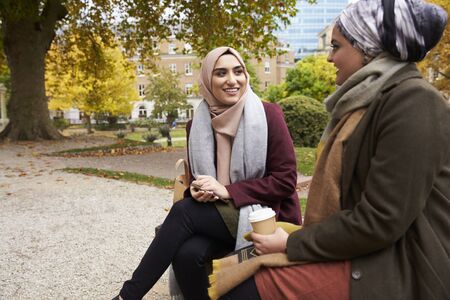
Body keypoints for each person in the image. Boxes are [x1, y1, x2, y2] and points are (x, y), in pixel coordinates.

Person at [221, 0, 450, 299]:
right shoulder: (366, 101)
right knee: (234, 267)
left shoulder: (414, 102)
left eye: (337, 46)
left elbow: (381, 220)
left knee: (243, 288)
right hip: (366, 246)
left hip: (400, 261)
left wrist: (293, 243)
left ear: (368, 49)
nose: (329, 58)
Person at [114, 46, 301, 300]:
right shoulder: (197, 124)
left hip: (263, 214)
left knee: (182, 212)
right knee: (186, 255)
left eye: (238, 71)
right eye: (221, 73)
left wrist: (227, 190)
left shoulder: (268, 115)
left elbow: (285, 181)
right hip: (215, 214)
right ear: (207, 81)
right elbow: (198, 180)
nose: (232, 80)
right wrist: (196, 189)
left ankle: (128, 296)